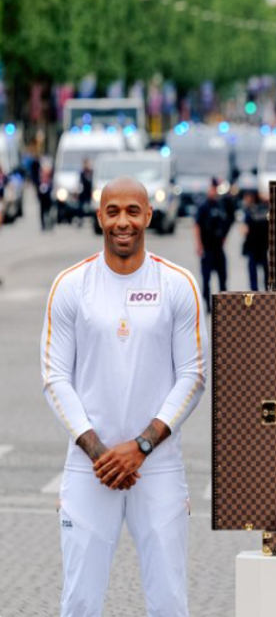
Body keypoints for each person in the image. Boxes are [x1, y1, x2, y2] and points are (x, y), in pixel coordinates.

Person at [41, 177, 207, 617]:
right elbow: (55, 378)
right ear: (99, 217)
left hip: (158, 466)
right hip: (88, 467)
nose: (123, 222)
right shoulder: (71, 285)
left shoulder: (178, 284)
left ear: (149, 216)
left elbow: (193, 376)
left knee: (170, 602)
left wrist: (142, 446)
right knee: (78, 601)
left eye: (133, 211)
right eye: (112, 211)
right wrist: (99, 452)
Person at [194, 179, 233, 312]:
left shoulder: (220, 205)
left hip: (218, 248)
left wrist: (224, 238)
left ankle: (222, 304)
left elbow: (227, 221)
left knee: (223, 277)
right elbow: (197, 225)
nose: (213, 191)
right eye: (211, 189)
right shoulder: (203, 207)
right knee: (206, 279)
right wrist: (199, 245)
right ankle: (208, 305)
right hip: (207, 248)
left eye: (215, 189)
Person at [242, 189, 270, 291]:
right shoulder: (263, 208)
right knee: (260, 271)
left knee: (260, 272)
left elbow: (244, 229)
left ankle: (258, 293)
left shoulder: (252, 210)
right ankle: (264, 292)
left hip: (259, 246)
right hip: (258, 246)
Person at [38, 162, 54, 232]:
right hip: (42, 198)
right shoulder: (40, 180)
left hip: (48, 198)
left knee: (49, 211)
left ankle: (49, 224)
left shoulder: (50, 180)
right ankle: (43, 225)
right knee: (42, 211)